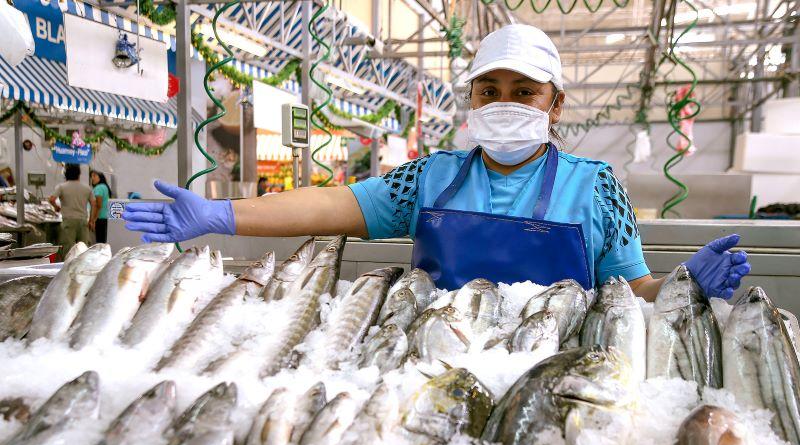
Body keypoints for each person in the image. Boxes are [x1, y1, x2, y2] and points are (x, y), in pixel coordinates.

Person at [123, 24, 750, 301]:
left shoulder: (597, 188)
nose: (505, 104)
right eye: (490, 91)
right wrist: (220, 214)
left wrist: (680, 285)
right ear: (471, 99)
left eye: (524, 92)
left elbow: (632, 291)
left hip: (549, 375)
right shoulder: (432, 175)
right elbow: (331, 204)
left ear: (555, 104)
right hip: (431, 366)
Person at [49, 163, 93, 260]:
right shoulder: (86, 188)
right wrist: (91, 220)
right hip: (82, 221)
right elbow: (93, 203)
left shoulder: (62, 187)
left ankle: (67, 269)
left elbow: (51, 199)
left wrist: (57, 207)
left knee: (68, 250)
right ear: (79, 174)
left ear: (66, 174)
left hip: (68, 221)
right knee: (83, 249)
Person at [89, 170, 112, 243]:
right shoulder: (105, 187)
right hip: (105, 218)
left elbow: (98, 205)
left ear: (100, 177)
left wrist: (93, 220)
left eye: (94, 176)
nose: (92, 178)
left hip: (99, 218)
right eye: (91, 176)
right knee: (103, 241)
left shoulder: (98, 188)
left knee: (99, 242)